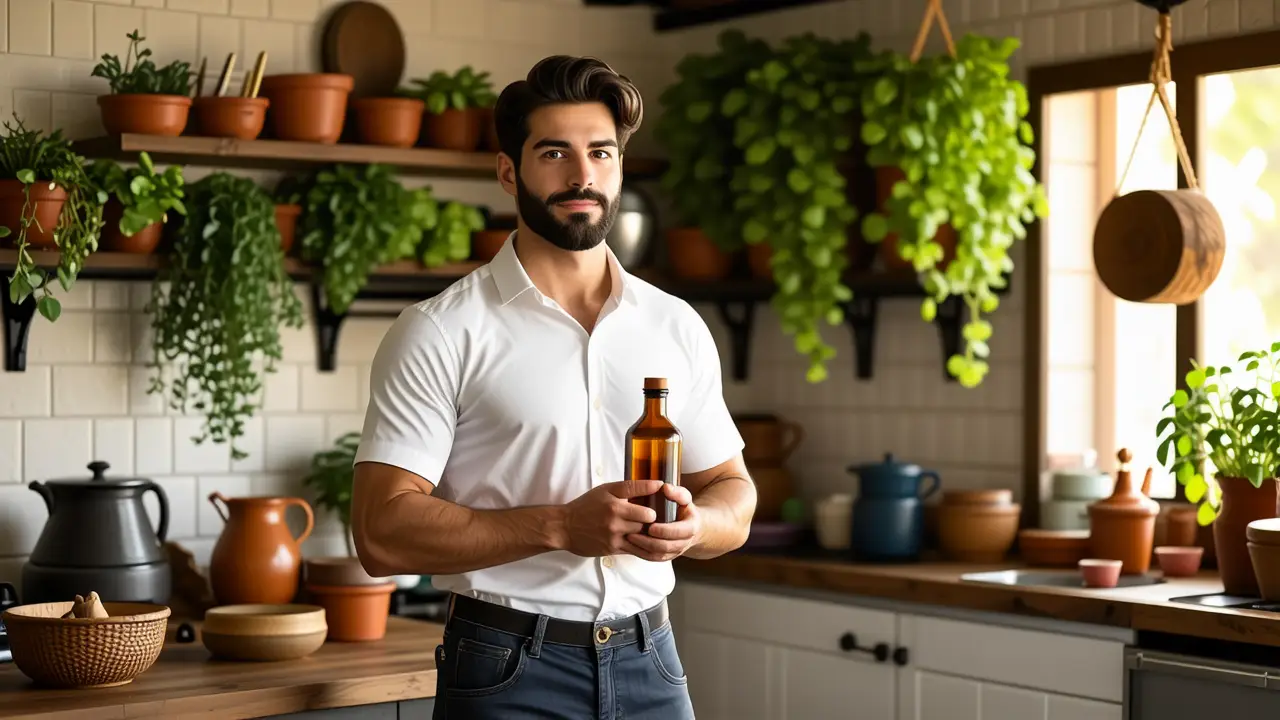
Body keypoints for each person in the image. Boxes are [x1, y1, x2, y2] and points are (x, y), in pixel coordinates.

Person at [350, 54, 758, 719]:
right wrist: (563, 525)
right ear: (509, 171)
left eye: (600, 152)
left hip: (652, 660)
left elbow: (735, 495)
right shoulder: (439, 331)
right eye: (554, 153)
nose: (582, 174)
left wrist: (695, 527)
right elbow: (381, 533)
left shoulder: (674, 324)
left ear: (620, 166)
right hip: (507, 670)